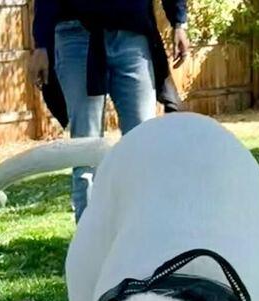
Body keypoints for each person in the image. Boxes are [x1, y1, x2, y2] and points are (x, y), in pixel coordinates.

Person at [30, 1, 190, 220]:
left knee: (142, 145)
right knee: (85, 149)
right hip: (76, 34)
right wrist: (41, 44)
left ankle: (143, 231)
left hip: (132, 32)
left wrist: (179, 23)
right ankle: (89, 239)